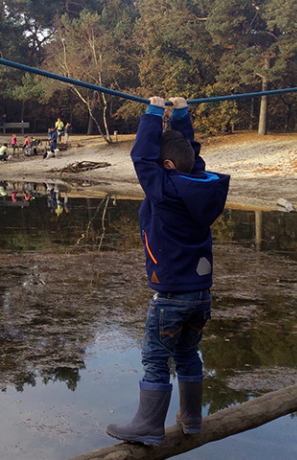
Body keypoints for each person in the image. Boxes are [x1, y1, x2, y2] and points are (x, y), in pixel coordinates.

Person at [105, 96, 230, 446]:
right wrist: (181, 117)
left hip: (172, 295)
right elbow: (187, 154)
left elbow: (142, 159)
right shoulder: (198, 183)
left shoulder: (164, 192)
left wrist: (153, 114)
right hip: (200, 294)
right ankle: (191, 418)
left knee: (155, 357)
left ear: (168, 166)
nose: (153, 173)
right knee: (188, 353)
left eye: (161, 167)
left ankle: (149, 425)